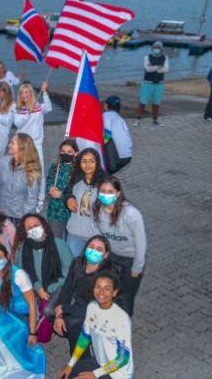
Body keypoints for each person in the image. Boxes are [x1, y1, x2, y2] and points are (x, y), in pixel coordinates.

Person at [57, 272, 133, 379]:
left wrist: (95, 374)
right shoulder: (92, 307)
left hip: (118, 373)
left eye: (107, 288)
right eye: (98, 287)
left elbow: (123, 358)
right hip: (99, 362)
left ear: (114, 292)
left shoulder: (121, 320)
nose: (101, 292)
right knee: (65, 375)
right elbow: (84, 337)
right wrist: (70, 365)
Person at [53, 236, 118, 355]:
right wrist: (59, 315)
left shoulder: (106, 278)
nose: (93, 251)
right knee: (63, 321)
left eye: (99, 249)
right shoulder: (78, 263)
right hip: (80, 307)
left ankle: (82, 359)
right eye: (91, 247)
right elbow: (67, 288)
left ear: (106, 255)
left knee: (75, 328)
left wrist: (64, 308)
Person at [94, 177, 146, 316]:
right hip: (112, 257)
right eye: (103, 191)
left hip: (130, 259)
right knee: (110, 293)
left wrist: (137, 267)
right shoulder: (97, 210)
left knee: (126, 297)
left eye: (110, 191)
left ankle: (124, 324)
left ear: (118, 193)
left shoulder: (131, 214)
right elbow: (98, 236)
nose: (106, 195)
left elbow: (141, 243)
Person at [14, 214, 73, 313]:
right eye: (29, 228)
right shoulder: (22, 250)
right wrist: (38, 288)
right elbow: (21, 273)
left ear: (43, 226)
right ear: (25, 233)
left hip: (58, 288)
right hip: (33, 289)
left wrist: (51, 288)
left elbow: (70, 270)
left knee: (48, 310)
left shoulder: (59, 244)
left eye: (36, 225)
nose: (34, 229)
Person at [0, 244, 38, 340]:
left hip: (24, 315)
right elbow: (1, 291)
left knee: (3, 336)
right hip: (9, 311)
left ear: (7, 257)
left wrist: (33, 333)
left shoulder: (19, 275)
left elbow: (32, 304)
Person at [64, 148, 109, 256]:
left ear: (97, 162)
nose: (87, 165)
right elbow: (67, 192)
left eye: (91, 161)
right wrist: (69, 199)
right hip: (75, 233)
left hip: (96, 236)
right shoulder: (76, 178)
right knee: (72, 263)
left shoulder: (105, 184)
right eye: (84, 161)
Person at [0, 133, 43, 224]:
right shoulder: (2, 162)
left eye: (12, 143)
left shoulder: (32, 167)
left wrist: (24, 218)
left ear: (22, 147)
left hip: (20, 216)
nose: (9, 145)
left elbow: (31, 198)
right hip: (2, 213)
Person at [13, 82, 52, 171]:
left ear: (31, 93)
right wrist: (28, 113)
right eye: (22, 93)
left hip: (36, 144)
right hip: (22, 145)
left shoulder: (39, 107)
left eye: (26, 92)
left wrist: (44, 92)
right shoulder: (18, 110)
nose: (24, 95)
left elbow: (49, 109)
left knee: (39, 170)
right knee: (22, 171)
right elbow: (18, 124)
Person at [45, 139, 78, 240]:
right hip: (55, 211)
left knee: (71, 241)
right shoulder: (54, 167)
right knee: (56, 240)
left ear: (76, 153)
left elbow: (77, 191)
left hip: (72, 212)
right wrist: (50, 188)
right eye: (63, 151)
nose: (65, 154)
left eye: (69, 152)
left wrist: (61, 194)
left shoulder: (78, 170)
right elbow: (49, 181)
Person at [135, 41, 169, 126]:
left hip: (159, 84)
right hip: (147, 83)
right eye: (155, 47)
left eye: (158, 48)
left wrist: (153, 67)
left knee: (156, 103)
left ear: (161, 49)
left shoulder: (165, 57)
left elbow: (166, 69)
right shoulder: (147, 57)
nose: (156, 49)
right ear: (152, 48)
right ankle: (137, 119)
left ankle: (155, 120)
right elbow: (147, 69)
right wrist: (159, 67)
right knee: (142, 102)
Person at [103, 95, 133, 174]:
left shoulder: (106, 115)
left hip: (118, 157)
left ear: (106, 105)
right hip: (127, 155)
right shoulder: (119, 118)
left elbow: (107, 135)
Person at [0, 81, 16, 157]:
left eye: (0, 92)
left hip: (3, 138)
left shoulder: (12, 104)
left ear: (6, 92)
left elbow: (6, 121)